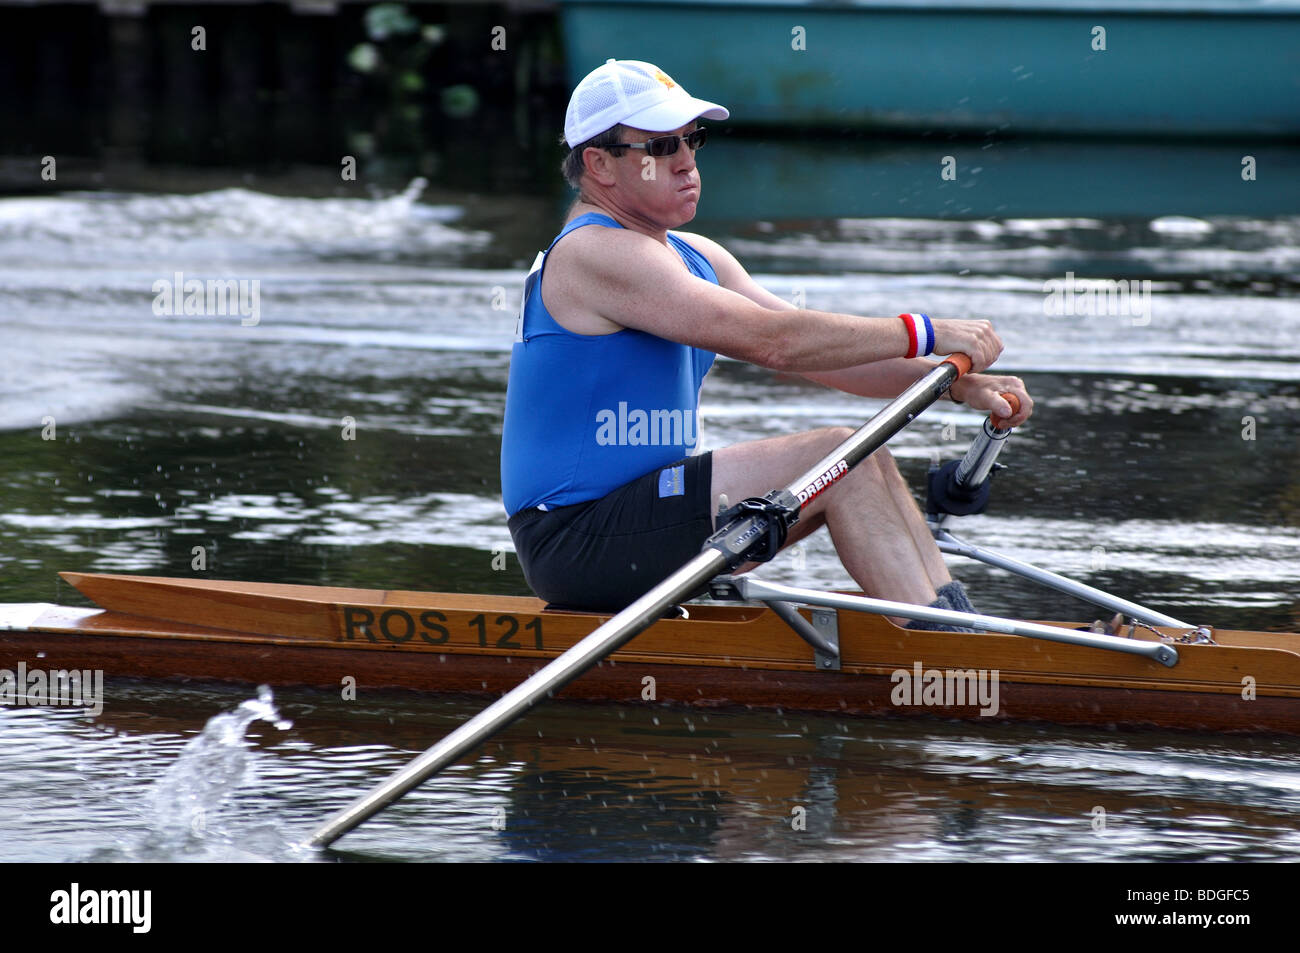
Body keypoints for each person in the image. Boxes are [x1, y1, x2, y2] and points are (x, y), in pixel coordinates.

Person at [500, 59, 1033, 622]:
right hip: (574, 539)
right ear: (599, 164)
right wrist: (928, 330)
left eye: (692, 140)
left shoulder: (696, 257)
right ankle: (941, 655)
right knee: (836, 456)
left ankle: (953, 627)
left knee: (861, 454)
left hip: (641, 515)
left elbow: (829, 361)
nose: (686, 162)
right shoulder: (593, 253)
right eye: (660, 148)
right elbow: (776, 342)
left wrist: (956, 385)